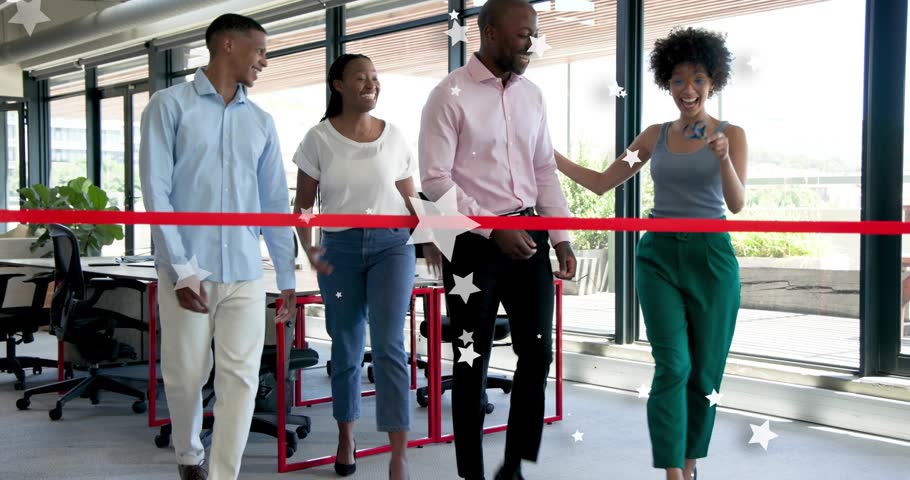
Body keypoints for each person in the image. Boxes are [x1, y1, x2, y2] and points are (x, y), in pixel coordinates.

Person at [554, 26, 747, 480]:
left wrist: (722, 157)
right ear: (667, 83)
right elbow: (602, 183)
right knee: (673, 365)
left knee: (704, 373)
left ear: (713, 82)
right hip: (658, 256)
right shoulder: (653, 136)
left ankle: (690, 463)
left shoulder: (732, 134)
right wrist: (551, 156)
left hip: (711, 257)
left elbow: (737, 204)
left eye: (698, 79)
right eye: (678, 80)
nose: (687, 89)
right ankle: (672, 473)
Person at [419, 0, 577, 478]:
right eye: (523, 33)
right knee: (472, 360)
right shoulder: (448, 94)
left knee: (538, 353)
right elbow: (435, 180)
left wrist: (561, 237)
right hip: (472, 243)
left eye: (534, 33)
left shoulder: (533, 95)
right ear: (489, 33)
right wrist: (492, 227)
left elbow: (544, 170)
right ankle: (471, 472)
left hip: (529, 236)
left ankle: (513, 466)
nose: (532, 42)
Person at [139, 14, 297, 480]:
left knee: (242, 379)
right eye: (260, 50)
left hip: (245, 271)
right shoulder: (169, 106)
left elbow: (274, 204)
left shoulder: (261, 122)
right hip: (190, 268)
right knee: (186, 375)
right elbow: (156, 192)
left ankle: (224, 474)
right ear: (228, 45)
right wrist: (181, 268)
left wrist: (285, 275)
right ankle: (190, 457)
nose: (264, 61)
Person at [293, 53, 438, 480]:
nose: (371, 84)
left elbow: (411, 200)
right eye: (360, 77)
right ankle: (346, 435)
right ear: (338, 85)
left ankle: (398, 453)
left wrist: (430, 238)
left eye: (375, 77)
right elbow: (303, 207)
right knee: (346, 345)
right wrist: (309, 250)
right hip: (339, 251)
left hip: (392, 247)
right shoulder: (318, 139)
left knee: (390, 345)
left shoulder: (394, 137)